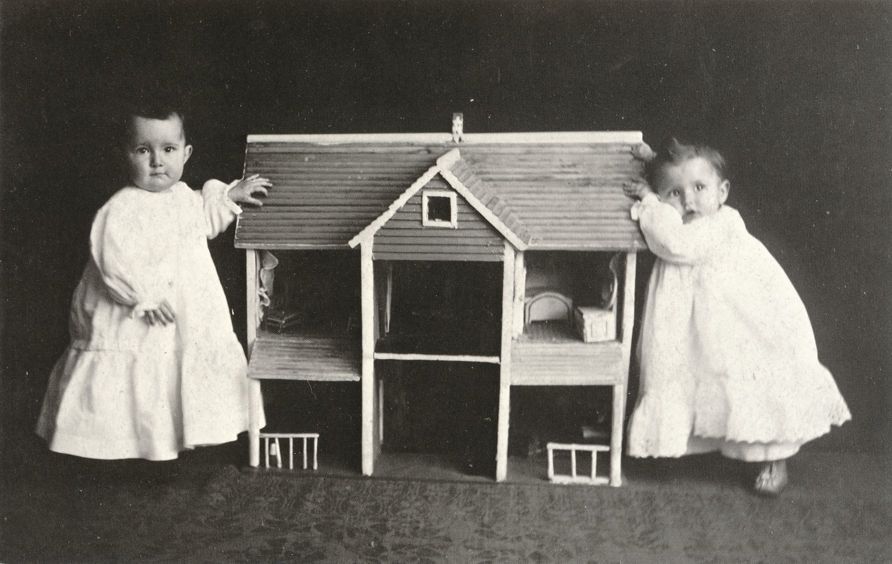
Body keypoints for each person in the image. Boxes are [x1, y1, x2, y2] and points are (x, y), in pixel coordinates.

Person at [36, 102, 271, 462]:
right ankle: (123, 445)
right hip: (134, 310)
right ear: (126, 155)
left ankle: (170, 440)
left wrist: (229, 196)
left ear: (186, 154)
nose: (157, 161)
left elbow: (206, 218)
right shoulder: (122, 207)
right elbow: (111, 256)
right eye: (144, 150)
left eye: (168, 149)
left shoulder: (186, 198)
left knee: (175, 365)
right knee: (138, 363)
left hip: (186, 311)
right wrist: (142, 295)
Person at [623, 137, 851, 496]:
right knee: (683, 375)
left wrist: (652, 201)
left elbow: (673, 242)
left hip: (734, 323)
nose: (689, 201)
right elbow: (673, 214)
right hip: (692, 326)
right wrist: (654, 170)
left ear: (722, 192)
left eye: (699, 188)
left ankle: (773, 458)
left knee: (749, 380)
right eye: (675, 194)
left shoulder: (720, 224)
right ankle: (678, 445)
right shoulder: (686, 220)